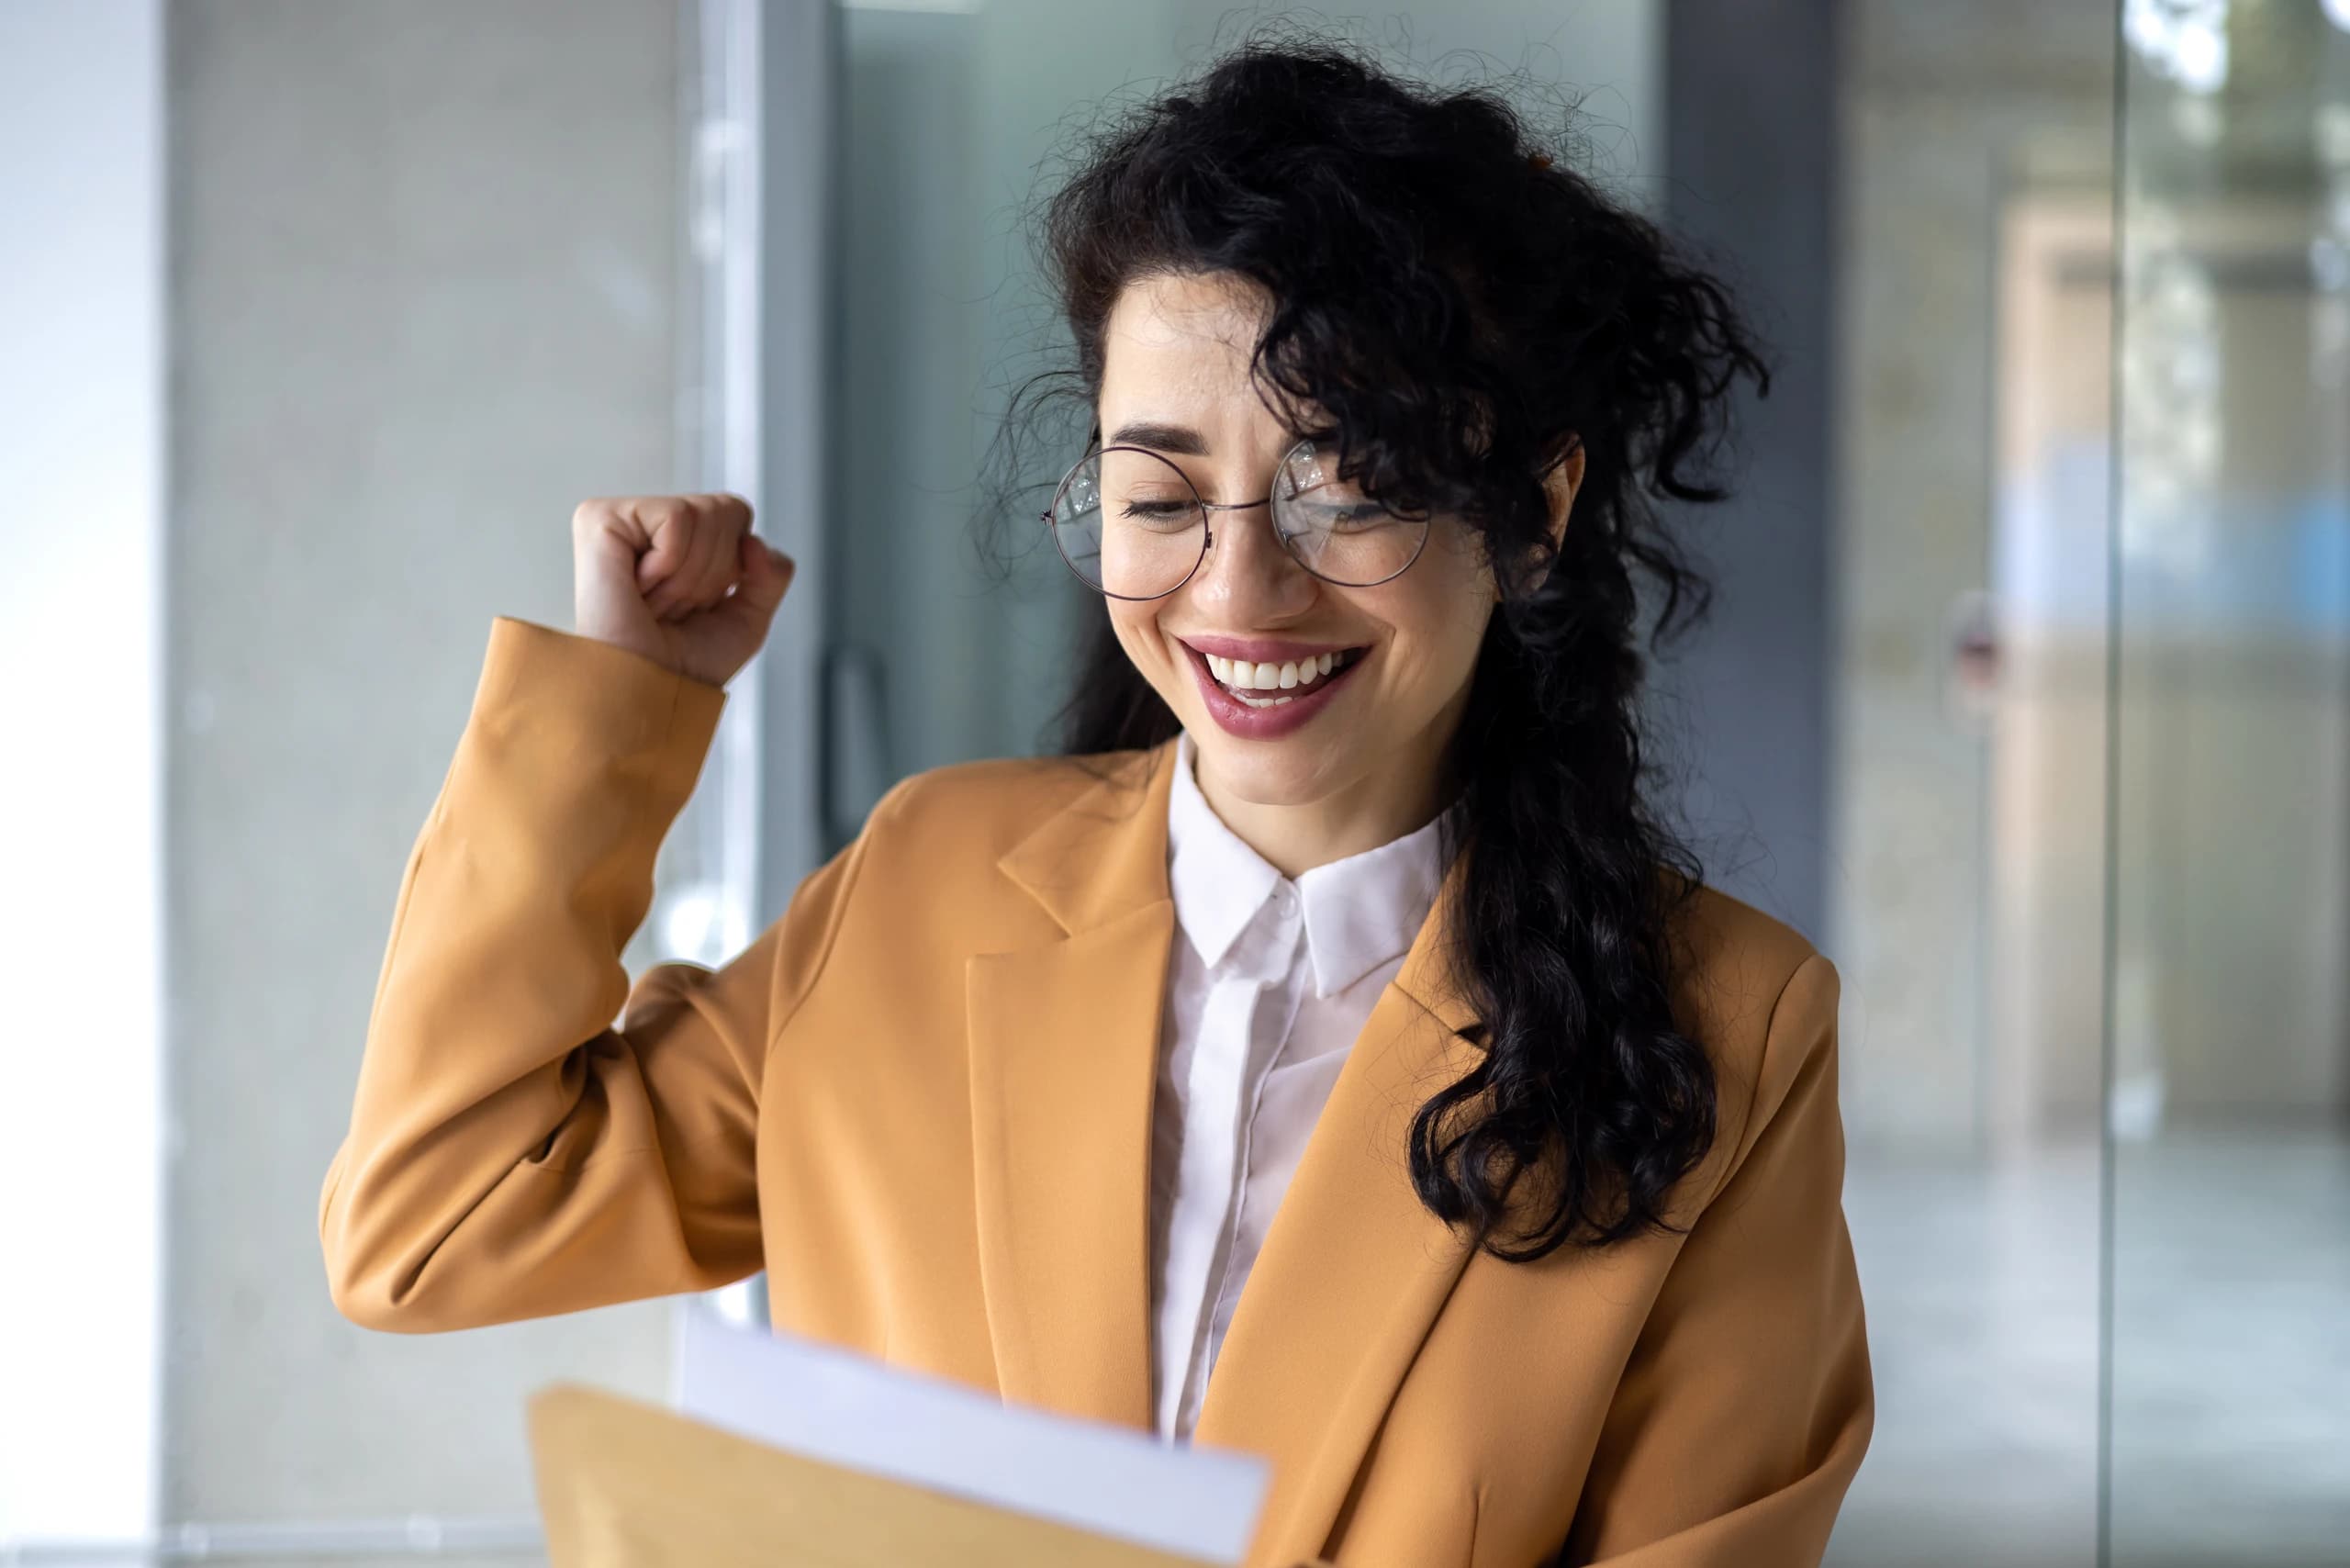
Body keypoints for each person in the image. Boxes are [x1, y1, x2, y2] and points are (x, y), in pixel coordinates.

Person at [320, 36, 1871, 1568]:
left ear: (1531, 514)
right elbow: (436, 1221)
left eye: (1354, 487)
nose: (1241, 590)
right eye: (1160, 498)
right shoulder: (929, 883)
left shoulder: (1732, 1032)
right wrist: (617, 707)